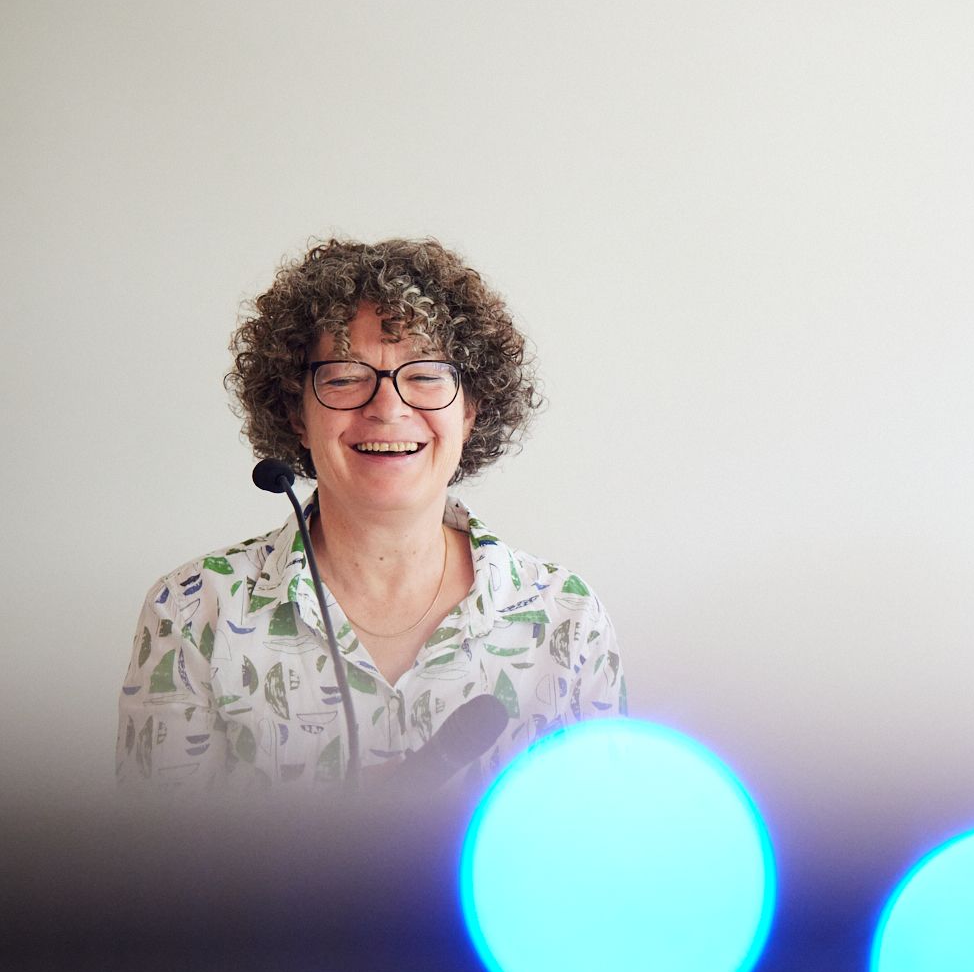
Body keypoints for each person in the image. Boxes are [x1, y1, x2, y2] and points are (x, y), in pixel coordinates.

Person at [117, 237, 624, 788]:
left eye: (425, 375)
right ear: (296, 414)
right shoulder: (193, 611)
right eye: (344, 377)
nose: (387, 408)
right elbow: (150, 845)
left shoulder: (567, 617)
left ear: (471, 410)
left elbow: (602, 836)